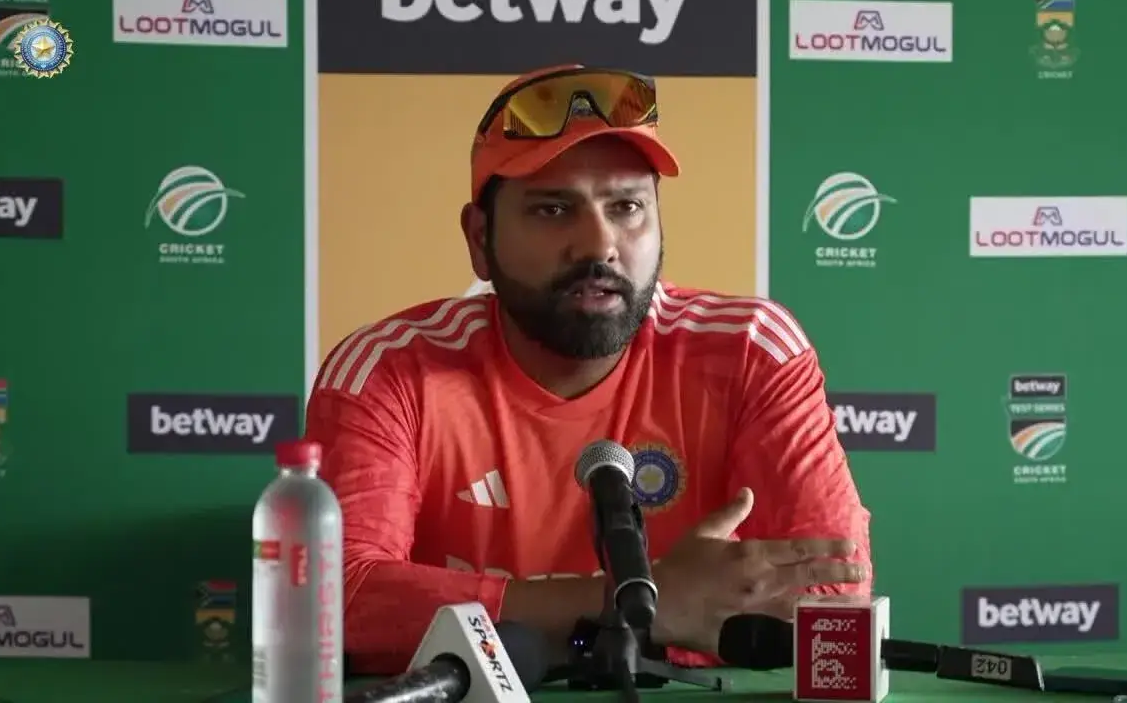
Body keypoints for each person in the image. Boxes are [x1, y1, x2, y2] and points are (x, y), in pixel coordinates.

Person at [305, 64, 873, 675]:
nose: (600, 245)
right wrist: (647, 605)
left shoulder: (752, 350)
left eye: (627, 206)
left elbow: (834, 596)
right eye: (553, 210)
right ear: (479, 239)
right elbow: (334, 604)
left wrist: (566, 623)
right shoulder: (389, 371)